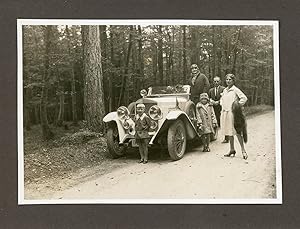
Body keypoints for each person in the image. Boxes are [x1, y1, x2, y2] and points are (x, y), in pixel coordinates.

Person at [220, 74, 248, 160]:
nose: (228, 81)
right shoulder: (225, 90)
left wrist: (237, 106)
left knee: (237, 131)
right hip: (225, 112)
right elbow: (222, 100)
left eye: (230, 80)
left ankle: (243, 150)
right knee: (229, 131)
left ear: (233, 81)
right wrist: (222, 104)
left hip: (233, 114)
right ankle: (232, 150)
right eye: (227, 79)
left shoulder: (235, 89)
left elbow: (244, 98)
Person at [208, 76, 228, 143]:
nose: (216, 83)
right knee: (214, 122)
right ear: (213, 82)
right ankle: (213, 136)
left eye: (217, 81)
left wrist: (218, 102)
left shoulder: (223, 89)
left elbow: (225, 97)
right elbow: (208, 98)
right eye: (215, 81)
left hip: (222, 107)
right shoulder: (211, 90)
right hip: (213, 108)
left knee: (224, 122)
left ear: (220, 82)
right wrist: (212, 101)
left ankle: (226, 137)